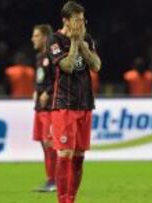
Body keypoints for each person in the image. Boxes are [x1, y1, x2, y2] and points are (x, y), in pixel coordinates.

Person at [48, 1, 101, 203]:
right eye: (76, 20)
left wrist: (82, 44)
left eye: (82, 19)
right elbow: (68, 66)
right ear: (65, 21)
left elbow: (96, 65)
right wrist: (74, 44)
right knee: (65, 152)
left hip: (85, 103)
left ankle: (72, 198)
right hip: (64, 104)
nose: (80, 23)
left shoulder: (86, 38)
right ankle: (63, 200)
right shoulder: (55, 40)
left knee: (79, 155)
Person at [31, 24, 56, 192]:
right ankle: (50, 179)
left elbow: (58, 79)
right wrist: (36, 91)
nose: (33, 39)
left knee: (50, 143)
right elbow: (42, 79)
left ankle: (56, 180)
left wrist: (47, 92)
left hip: (50, 107)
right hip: (39, 107)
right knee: (43, 142)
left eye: (36, 35)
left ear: (45, 37)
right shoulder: (39, 57)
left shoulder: (53, 55)